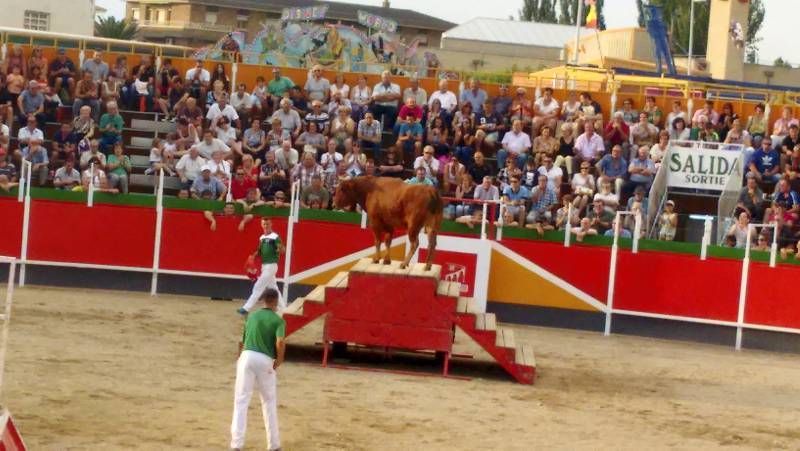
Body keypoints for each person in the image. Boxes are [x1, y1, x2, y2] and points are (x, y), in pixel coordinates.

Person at [230, 287, 284, 451]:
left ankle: (236, 445)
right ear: (275, 301)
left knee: (241, 401)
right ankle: (273, 446)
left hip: (246, 357)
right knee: (268, 402)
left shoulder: (252, 317)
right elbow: (280, 342)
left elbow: (241, 342)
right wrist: (278, 362)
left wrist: (240, 360)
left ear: (263, 300)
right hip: (265, 360)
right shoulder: (278, 321)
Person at [241, 218, 285, 314]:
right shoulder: (261, 237)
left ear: (271, 224)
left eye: (267, 224)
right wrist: (253, 256)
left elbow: (282, 249)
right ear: (261, 225)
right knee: (274, 288)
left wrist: (280, 249)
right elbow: (260, 251)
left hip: (271, 266)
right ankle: (284, 310)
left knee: (258, 286)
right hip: (264, 266)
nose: (266, 226)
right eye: (264, 224)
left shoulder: (275, 236)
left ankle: (246, 308)